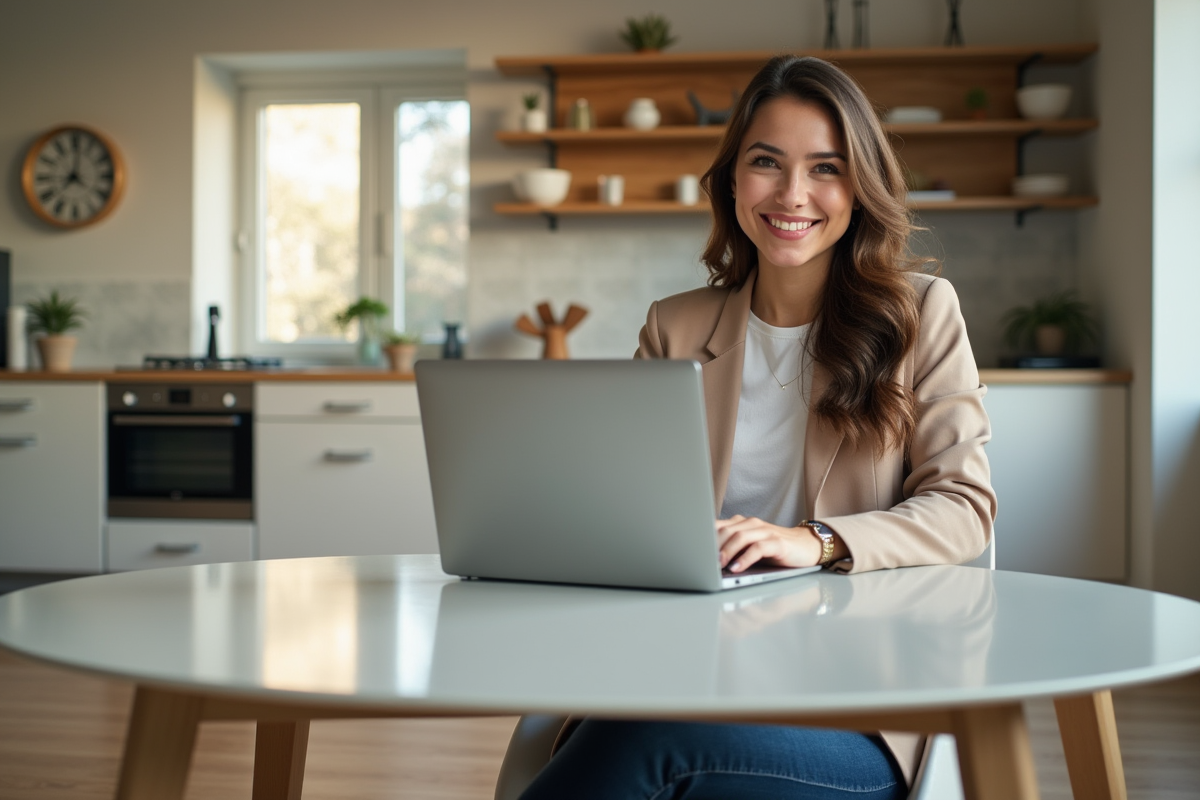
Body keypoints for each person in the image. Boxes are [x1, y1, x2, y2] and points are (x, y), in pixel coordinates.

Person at [519, 54, 996, 800]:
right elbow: (631, 515)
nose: (793, 194)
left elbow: (963, 508)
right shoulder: (674, 326)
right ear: (732, 180)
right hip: (685, 676)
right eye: (767, 162)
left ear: (860, 187)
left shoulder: (922, 315)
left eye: (826, 168)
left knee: (645, 743)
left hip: (849, 702)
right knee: (631, 730)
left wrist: (813, 540)